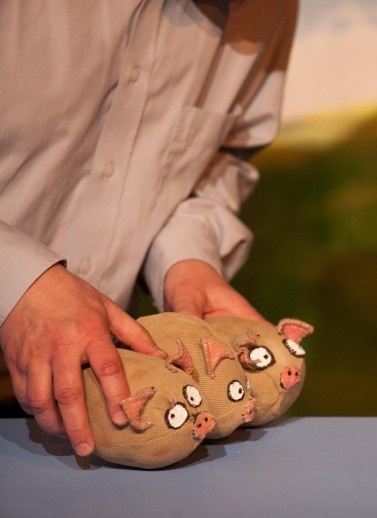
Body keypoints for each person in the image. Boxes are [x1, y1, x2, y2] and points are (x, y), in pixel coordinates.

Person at [0, 0, 298, 457]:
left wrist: (184, 256)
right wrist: (17, 280)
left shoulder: (270, 9)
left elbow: (222, 159)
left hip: (106, 411)